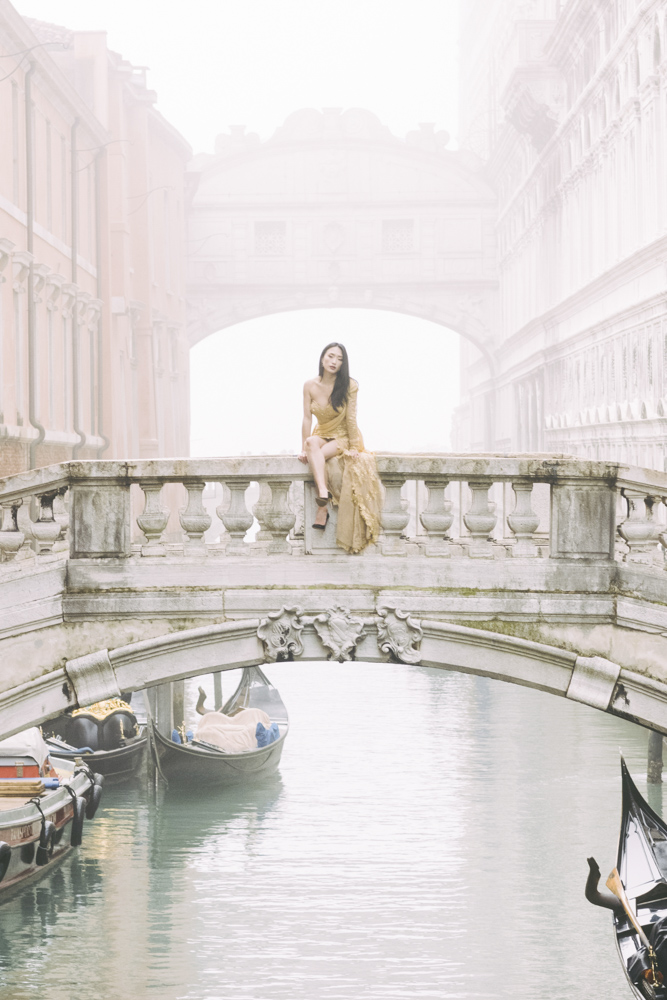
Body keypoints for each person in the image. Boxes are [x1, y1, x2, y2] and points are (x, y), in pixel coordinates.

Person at [298, 342, 382, 553]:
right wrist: (303, 448)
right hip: (321, 433)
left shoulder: (349, 385)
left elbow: (351, 419)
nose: (334, 361)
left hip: (342, 437)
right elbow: (306, 419)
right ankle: (324, 494)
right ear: (322, 358)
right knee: (311, 444)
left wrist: (354, 447)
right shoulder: (309, 385)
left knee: (317, 456)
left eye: (340, 359)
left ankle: (322, 506)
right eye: (331, 356)